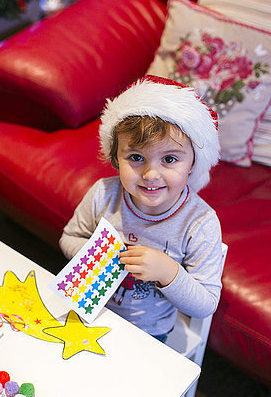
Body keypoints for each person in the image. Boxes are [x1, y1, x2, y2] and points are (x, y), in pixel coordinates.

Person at [59, 75, 224, 342]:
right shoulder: (104, 194)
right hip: (88, 315)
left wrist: (168, 272)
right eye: (136, 157)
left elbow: (205, 304)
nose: (150, 174)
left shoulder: (200, 223)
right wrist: (99, 256)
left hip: (148, 334)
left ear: (193, 163)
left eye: (169, 159)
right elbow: (69, 238)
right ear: (115, 157)